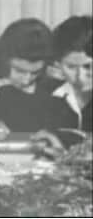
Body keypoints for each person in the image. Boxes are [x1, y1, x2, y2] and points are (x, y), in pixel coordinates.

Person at [43, 16, 92, 146]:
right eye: (70, 67)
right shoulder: (46, 94)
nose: (80, 77)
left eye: (88, 66)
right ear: (58, 64)